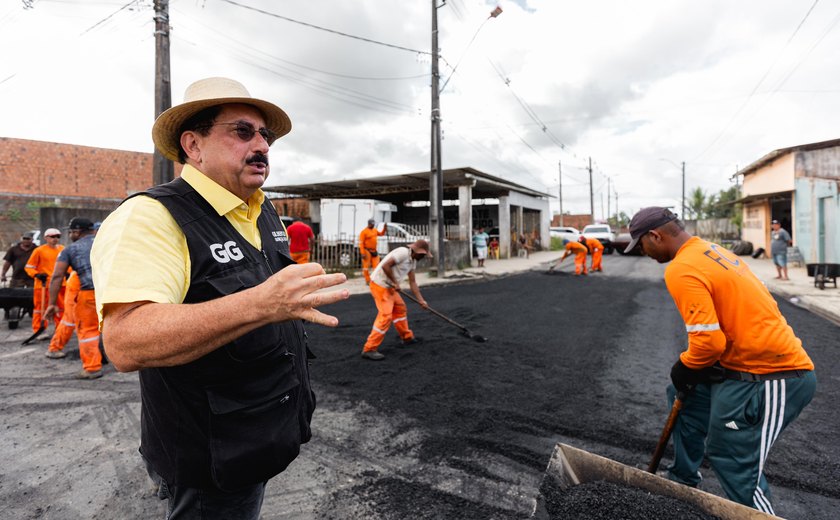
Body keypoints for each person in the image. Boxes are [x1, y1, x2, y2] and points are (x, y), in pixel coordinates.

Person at [90, 76, 349, 518]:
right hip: (210, 454)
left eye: (265, 135)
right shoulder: (152, 217)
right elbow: (125, 341)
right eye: (242, 131)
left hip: (257, 435)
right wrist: (260, 303)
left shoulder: (263, 208)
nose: (262, 145)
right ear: (193, 145)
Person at [625, 206, 816, 515]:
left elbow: (708, 342)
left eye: (641, 244)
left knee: (731, 453)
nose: (642, 252)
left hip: (775, 375)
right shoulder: (710, 251)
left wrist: (686, 364)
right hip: (740, 364)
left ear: (655, 236)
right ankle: (682, 480)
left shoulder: (681, 268)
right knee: (683, 396)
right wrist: (690, 371)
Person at [45, 217, 102, 379]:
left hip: (89, 293)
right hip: (113, 291)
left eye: (70, 232)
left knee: (88, 330)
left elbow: (57, 277)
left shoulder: (70, 250)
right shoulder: (107, 243)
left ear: (77, 232)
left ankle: (92, 368)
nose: (69, 235)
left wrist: (52, 303)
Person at [361, 239, 431, 361]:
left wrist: (421, 300)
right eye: (424, 255)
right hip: (380, 285)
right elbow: (385, 265)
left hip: (390, 287)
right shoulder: (403, 253)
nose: (424, 257)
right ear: (418, 252)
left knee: (400, 308)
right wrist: (394, 282)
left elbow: (413, 282)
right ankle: (369, 349)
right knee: (386, 316)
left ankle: (407, 337)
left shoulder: (412, 262)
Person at [24, 228, 65, 334]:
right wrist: (36, 274)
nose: (55, 239)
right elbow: (29, 267)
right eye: (52, 236)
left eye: (57, 236)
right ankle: (39, 329)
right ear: (46, 238)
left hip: (61, 284)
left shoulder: (62, 250)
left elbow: (68, 267)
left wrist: (68, 273)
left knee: (61, 308)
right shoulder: (39, 250)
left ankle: (60, 330)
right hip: (43, 285)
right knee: (40, 309)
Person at [359, 218, 387, 284]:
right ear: (369, 224)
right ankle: (367, 280)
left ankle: (375, 280)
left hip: (374, 251)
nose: (373, 225)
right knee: (366, 267)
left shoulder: (375, 230)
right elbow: (361, 243)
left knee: (376, 266)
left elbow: (381, 234)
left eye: (373, 224)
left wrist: (384, 228)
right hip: (367, 251)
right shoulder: (364, 232)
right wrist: (362, 253)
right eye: (372, 224)